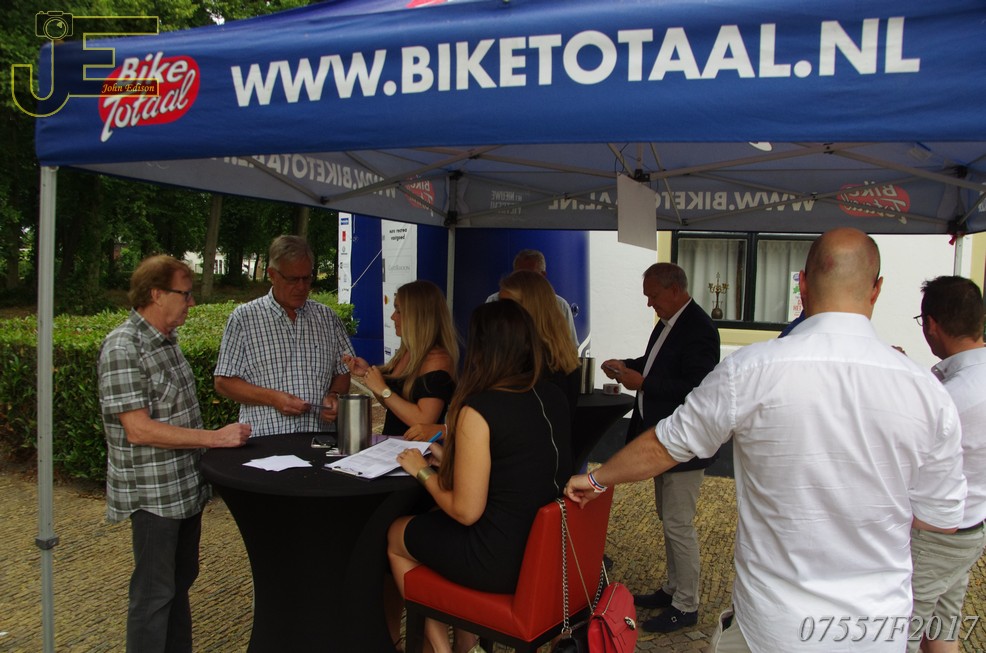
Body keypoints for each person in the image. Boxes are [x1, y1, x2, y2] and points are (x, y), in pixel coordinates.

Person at [566, 228, 966, 653]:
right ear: (877, 288)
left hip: (772, 625)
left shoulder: (750, 369)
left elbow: (667, 444)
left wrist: (596, 479)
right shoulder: (929, 391)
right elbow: (941, 519)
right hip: (875, 628)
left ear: (803, 285)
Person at [387, 300, 572, 653]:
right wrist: (449, 460)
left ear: (482, 349)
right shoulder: (552, 395)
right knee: (432, 524)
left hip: (500, 560)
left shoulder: (480, 408)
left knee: (398, 533)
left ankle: (446, 649)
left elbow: (466, 511)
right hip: (547, 551)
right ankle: (466, 640)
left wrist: (421, 470)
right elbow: (518, 465)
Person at [98, 255, 252, 652]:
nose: (191, 302)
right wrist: (215, 439)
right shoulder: (123, 347)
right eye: (185, 294)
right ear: (156, 294)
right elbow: (138, 429)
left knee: (178, 585)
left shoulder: (166, 342)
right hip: (154, 497)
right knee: (154, 594)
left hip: (184, 491)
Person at [599, 262, 720, 633]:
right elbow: (655, 366)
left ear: (675, 290)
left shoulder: (699, 328)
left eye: (653, 296)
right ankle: (673, 588)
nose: (650, 303)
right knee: (669, 519)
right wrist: (625, 366)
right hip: (664, 440)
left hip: (686, 445)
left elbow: (696, 387)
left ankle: (687, 605)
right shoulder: (668, 322)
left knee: (679, 523)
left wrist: (644, 383)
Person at [908, 276, 986, 653]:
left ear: (931, 325)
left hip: (934, 535)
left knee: (897, 636)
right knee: (943, 627)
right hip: (972, 527)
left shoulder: (949, 397)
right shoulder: (958, 385)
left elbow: (905, 460)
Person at [214, 235, 354, 436]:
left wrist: (334, 395)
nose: (301, 287)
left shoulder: (327, 318)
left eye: (307, 278)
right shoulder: (244, 318)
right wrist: (273, 398)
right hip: (265, 441)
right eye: (292, 279)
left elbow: (343, 370)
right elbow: (223, 382)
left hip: (318, 439)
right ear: (272, 275)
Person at [342, 280, 458, 436]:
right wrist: (369, 374)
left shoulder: (438, 360)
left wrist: (383, 389)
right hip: (395, 445)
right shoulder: (407, 352)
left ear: (418, 316)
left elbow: (424, 421)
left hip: (417, 449)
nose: (392, 317)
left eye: (398, 311)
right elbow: (392, 405)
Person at [499, 269, 581, 449]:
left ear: (530, 310)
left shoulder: (537, 360)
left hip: (531, 458)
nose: (499, 315)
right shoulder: (558, 355)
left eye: (507, 308)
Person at [485, 248, 578, 346]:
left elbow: (570, 347)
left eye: (530, 275)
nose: (524, 280)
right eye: (519, 275)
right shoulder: (495, 301)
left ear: (542, 275)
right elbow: (486, 344)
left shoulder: (560, 306)